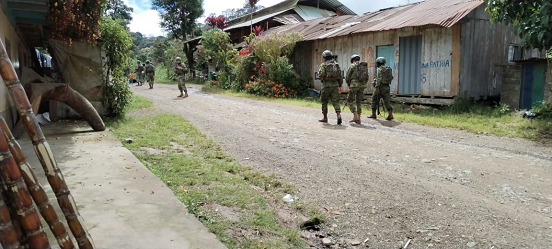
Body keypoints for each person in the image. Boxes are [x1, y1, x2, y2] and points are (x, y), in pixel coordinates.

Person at [317, 50, 342, 124]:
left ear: (324, 57)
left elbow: (320, 75)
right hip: (335, 85)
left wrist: (321, 78)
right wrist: (340, 85)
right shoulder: (336, 64)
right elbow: (340, 76)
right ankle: (338, 115)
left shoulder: (323, 65)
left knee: (324, 101)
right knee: (336, 101)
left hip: (326, 86)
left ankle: (325, 118)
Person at [345, 54, 368, 124]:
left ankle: (355, 116)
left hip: (354, 86)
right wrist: (363, 84)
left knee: (349, 101)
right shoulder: (363, 67)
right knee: (359, 102)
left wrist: (350, 85)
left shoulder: (352, 65)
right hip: (362, 86)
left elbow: (347, 77)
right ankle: (359, 118)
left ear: (352, 60)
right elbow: (367, 78)